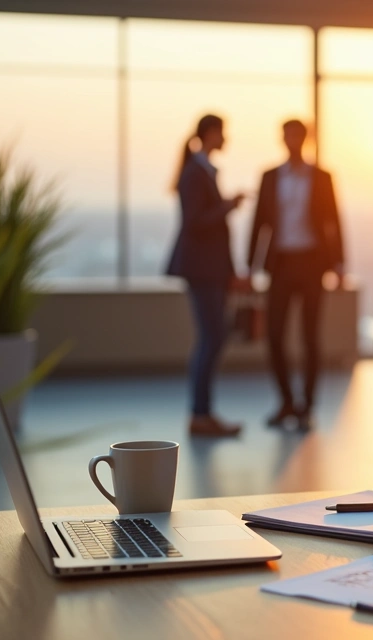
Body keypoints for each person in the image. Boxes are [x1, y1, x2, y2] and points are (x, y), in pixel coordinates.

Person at [248, 120, 345, 429]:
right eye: (288, 135)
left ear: (305, 139)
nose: (292, 140)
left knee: (310, 336)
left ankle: (307, 407)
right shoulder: (270, 177)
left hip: (313, 263)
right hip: (280, 264)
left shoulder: (321, 177)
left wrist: (340, 264)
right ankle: (286, 402)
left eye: (297, 135)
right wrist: (249, 266)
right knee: (274, 335)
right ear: (282, 139)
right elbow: (259, 223)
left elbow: (334, 221)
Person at [166, 114, 246, 438]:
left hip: (210, 270)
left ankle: (203, 413)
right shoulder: (195, 173)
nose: (226, 138)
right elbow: (196, 222)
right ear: (211, 133)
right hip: (202, 270)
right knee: (211, 338)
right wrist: (228, 206)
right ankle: (201, 414)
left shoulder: (200, 171)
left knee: (212, 337)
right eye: (223, 132)